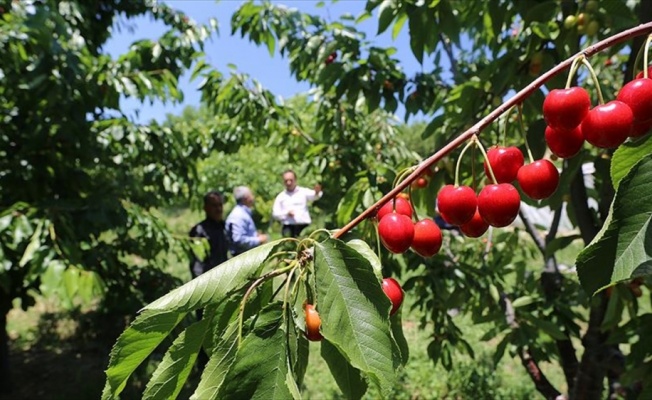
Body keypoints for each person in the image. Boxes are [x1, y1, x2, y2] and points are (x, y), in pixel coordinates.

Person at [188, 191, 228, 279]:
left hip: (224, 277)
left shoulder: (224, 226)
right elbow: (197, 263)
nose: (218, 209)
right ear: (206, 208)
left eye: (220, 205)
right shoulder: (199, 231)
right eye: (214, 205)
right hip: (208, 280)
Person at [272, 169, 323, 238]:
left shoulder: (303, 192)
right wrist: (286, 213)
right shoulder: (281, 197)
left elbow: (315, 196)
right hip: (288, 228)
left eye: (291, 180)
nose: (289, 183)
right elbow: (275, 214)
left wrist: (317, 192)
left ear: (295, 180)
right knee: (289, 248)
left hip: (304, 227)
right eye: (286, 181)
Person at [226, 186, 268, 256]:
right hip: (241, 257)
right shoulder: (238, 215)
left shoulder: (242, 213)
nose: (253, 197)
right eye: (251, 195)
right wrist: (258, 240)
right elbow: (238, 239)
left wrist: (254, 235)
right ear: (246, 198)